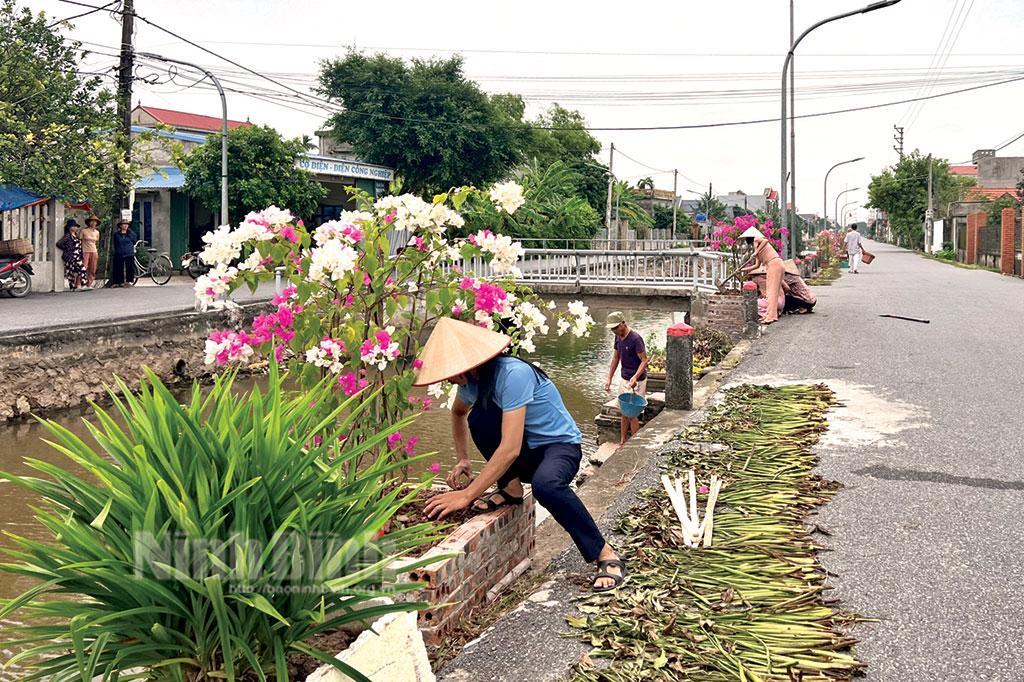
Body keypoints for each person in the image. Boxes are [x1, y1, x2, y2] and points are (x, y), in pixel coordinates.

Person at [419, 318, 626, 593]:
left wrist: (466, 495)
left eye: (452, 371)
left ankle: (604, 552)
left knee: (547, 486)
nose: (449, 378)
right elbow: (458, 414)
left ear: (470, 363)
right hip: (528, 450)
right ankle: (511, 489)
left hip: (559, 446)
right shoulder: (470, 382)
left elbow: (509, 449)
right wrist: (463, 459)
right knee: (479, 418)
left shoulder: (513, 374)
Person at [603, 311, 649, 445]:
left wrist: (635, 377)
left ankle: (633, 444)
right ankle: (622, 441)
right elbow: (616, 357)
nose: (614, 331)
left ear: (623, 323)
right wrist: (609, 378)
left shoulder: (635, 338)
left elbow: (644, 360)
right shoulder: (618, 337)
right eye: (612, 329)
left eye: (616, 327)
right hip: (624, 378)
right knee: (623, 411)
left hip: (637, 380)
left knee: (632, 414)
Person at [740, 227, 784, 324]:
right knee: (773, 291)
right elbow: (756, 266)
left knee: (771, 292)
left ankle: (771, 316)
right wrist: (741, 270)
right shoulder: (757, 249)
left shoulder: (757, 239)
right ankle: (771, 314)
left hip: (773, 264)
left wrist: (756, 252)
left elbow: (765, 240)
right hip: (777, 264)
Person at [55, 219, 88, 291]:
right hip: (70, 256)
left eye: (76, 226)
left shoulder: (76, 235)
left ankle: (84, 284)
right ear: (70, 227)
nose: (76, 228)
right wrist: (67, 248)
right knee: (71, 272)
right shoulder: (67, 236)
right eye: (74, 226)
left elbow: (79, 246)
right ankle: (72, 287)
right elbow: (59, 244)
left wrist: (81, 255)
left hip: (77, 256)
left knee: (82, 269)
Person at [110, 217, 138, 287]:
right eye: (123, 224)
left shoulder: (132, 234)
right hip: (119, 252)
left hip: (129, 252)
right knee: (118, 267)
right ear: (120, 225)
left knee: (129, 268)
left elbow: (134, 242)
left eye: (126, 224)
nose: (125, 226)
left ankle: (129, 281)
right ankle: (118, 282)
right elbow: (115, 243)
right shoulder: (116, 234)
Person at [81, 215, 101, 288]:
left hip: (94, 251)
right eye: (91, 221)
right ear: (89, 222)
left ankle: (89, 284)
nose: (93, 223)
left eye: (95, 221)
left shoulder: (97, 232)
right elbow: (80, 240)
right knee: (84, 267)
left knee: (93, 268)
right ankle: (81, 283)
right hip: (85, 251)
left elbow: (96, 241)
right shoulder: (84, 231)